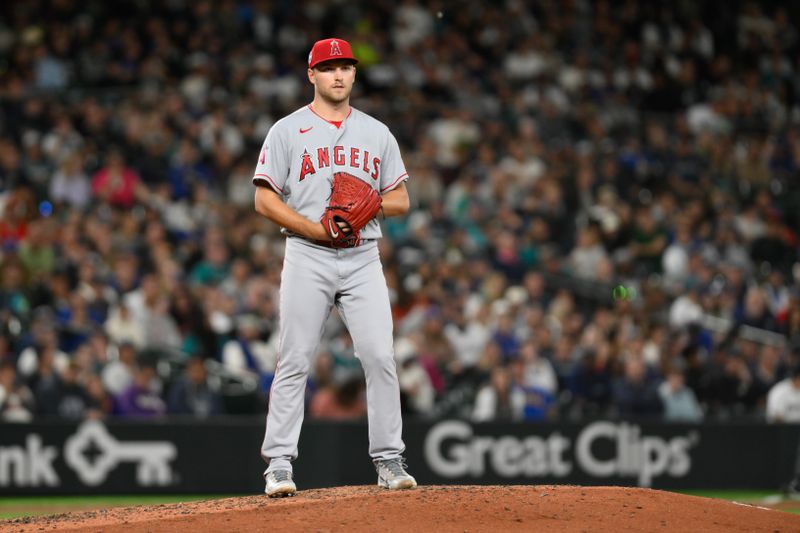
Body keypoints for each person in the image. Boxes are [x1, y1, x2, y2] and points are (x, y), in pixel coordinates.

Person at [253, 37, 415, 497]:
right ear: (312, 75)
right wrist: (312, 228)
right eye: (329, 68)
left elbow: (401, 198)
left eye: (345, 67)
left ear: (354, 74)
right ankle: (279, 464)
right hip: (308, 253)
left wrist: (371, 206)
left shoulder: (376, 132)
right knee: (295, 359)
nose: (338, 75)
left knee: (381, 356)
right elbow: (263, 198)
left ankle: (388, 459)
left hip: (363, 256)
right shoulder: (287, 131)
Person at [766, 363, 800, 497]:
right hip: (781, 433)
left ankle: (795, 484)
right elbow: (775, 416)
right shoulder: (780, 390)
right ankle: (786, 484)